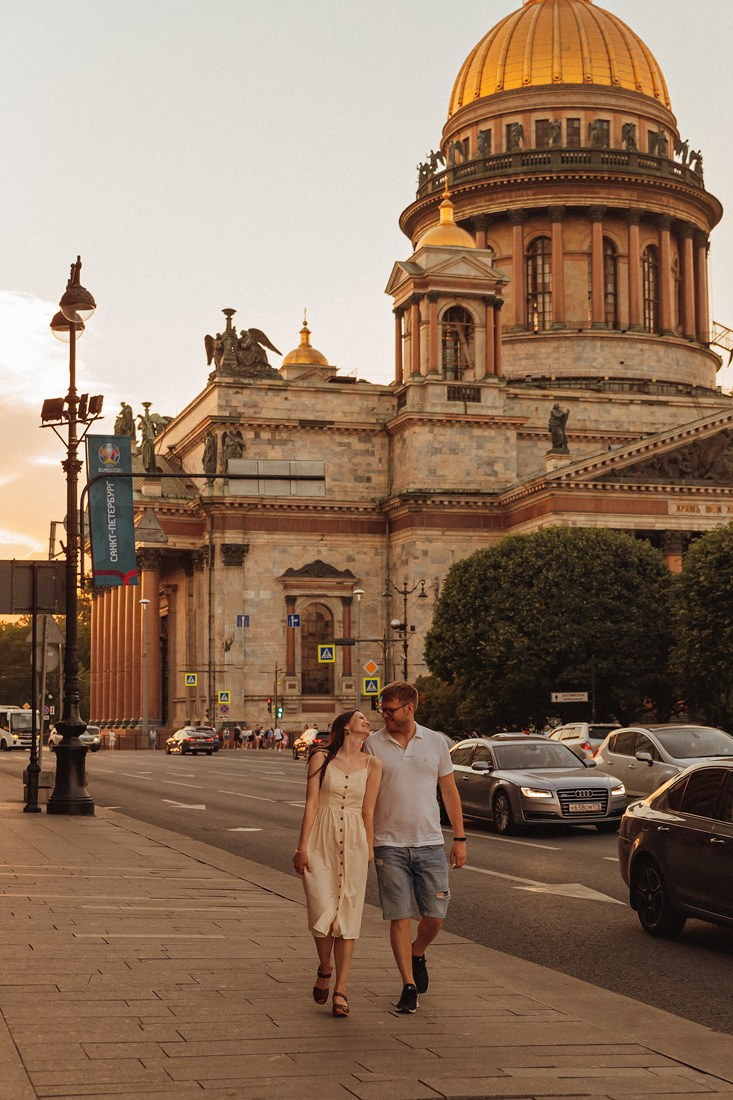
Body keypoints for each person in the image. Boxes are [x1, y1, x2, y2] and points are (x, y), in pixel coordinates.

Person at [363, 681, 466, 1014]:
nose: (385, 715)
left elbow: (449, 793)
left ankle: (417, 952)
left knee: (435, 916)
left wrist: (460, 839)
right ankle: (408, 984)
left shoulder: (435, 742)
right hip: (388, 845)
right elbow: (363, 799)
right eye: (382, 709)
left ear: (410, 708)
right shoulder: (372, 745)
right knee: (399, 917)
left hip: (431, 843)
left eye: (390, 710)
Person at [294, 710, 382, 1018]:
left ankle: (341, 989)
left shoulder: (373, 765)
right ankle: (325, 967)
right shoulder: (321, 758)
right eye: (361, 719)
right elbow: (312, 803)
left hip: (355, 841)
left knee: (349, 915)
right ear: (346, 727)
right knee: (321, 908)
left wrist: (369, 848)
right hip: (321, 839)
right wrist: (302, 846)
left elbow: (369, 811)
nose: (367, 721)